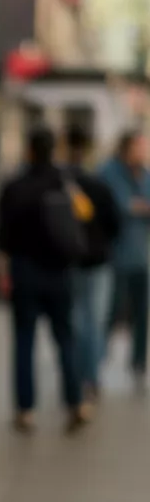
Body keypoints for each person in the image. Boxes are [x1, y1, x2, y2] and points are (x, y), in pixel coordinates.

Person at [0, 124, 90, 432]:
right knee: (66, 339)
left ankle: (26, 411)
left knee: (24, 341)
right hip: (60, 273)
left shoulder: (14, 187)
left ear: (29, 151)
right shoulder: (64, 183)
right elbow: (85, 216)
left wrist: (2, 274)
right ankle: (76, 402)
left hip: (24, 271)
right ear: (54, 151)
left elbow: (2, 239)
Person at [63, 122, 120, 400]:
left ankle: (76, 374)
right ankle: (91, 377)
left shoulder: (61, 184)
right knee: (95, 321)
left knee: (75, 320)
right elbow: (114, 224)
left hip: (70, 261)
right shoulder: (99, 184)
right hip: (98, 262)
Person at [99, 130, 150, 389]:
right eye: (140, 146)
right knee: (111, 312)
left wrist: (136, 206)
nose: (144, 152)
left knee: (142, 314)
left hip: (141, 257)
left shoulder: (144, 174)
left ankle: (138, 364)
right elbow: (118, 206)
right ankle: (96, 363)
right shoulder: (109, 172)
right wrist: (137, 207)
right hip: (115, 257)